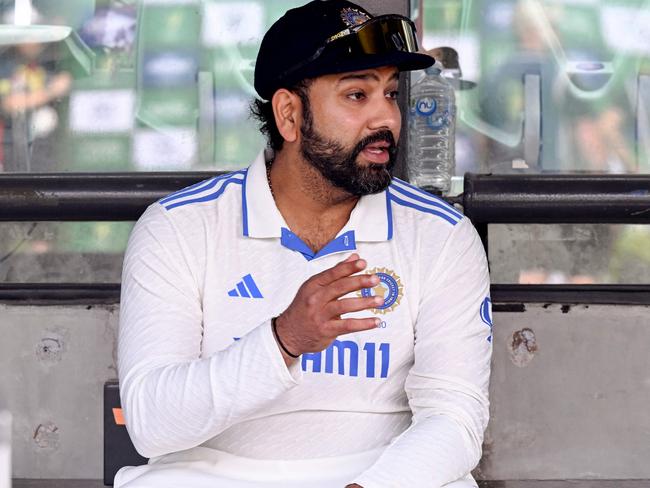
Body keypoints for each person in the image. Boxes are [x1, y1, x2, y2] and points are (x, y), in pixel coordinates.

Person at [116, 1, 492, 487]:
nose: (387, 120)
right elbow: (151, 424)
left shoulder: (441, 236)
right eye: (357, 95)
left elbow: (455, 418)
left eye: (391, 94)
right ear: (289, 114)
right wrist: (284, 340)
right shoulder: (179, 227)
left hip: (382, 472)